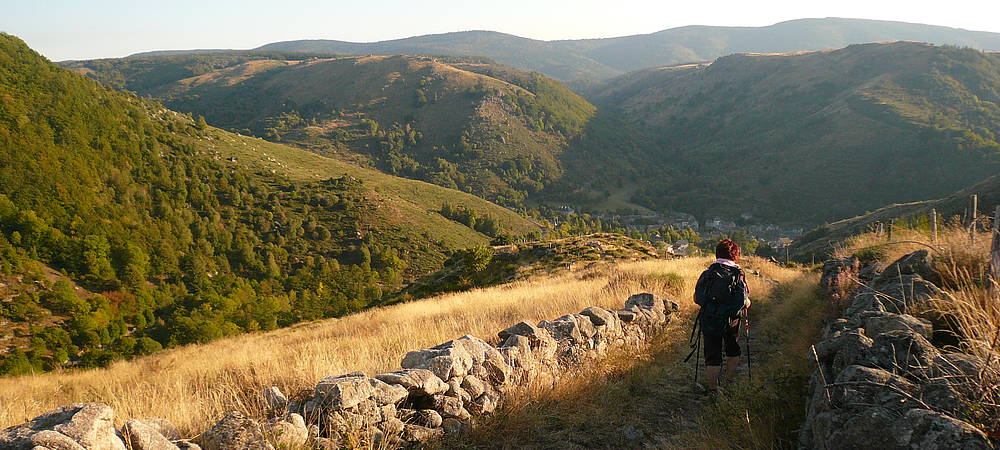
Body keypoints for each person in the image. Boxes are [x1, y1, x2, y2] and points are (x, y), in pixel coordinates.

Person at [693, 239, 750, 393]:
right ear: (735, 255)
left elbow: (698, 298)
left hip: (710, 318)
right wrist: (746, 303)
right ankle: (728, 381)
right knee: (733, 350)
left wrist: (712, 308)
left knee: (712, 354)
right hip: (731, 320)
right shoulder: (739, 274)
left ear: (717, 254)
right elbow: (742, 300)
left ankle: (713, 389)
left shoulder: (708, 273)